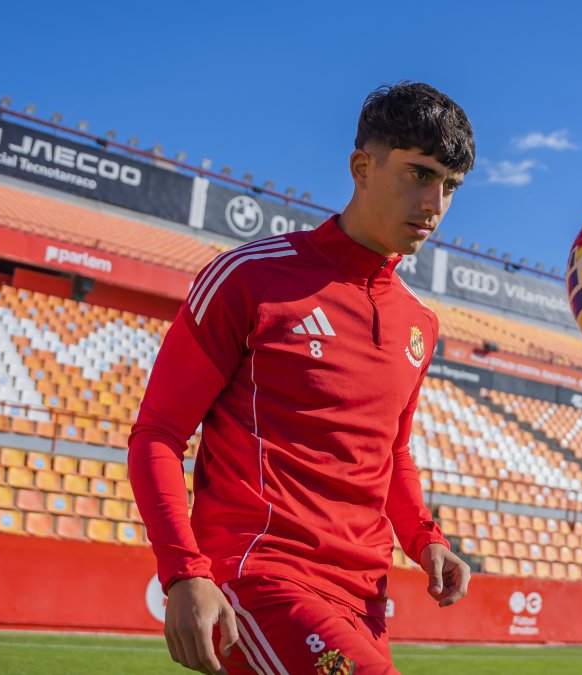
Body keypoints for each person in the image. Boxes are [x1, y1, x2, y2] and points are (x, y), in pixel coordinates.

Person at [128, 82, 475, 675]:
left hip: (365, 599)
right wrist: (184, 572)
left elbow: (391, 452)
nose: (435, 203)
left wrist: (426, 539)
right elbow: (157, 434)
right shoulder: (249, 278)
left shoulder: (420, 323)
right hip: (261, 581)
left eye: (450, 186)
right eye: (419, 174)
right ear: (361, 167)